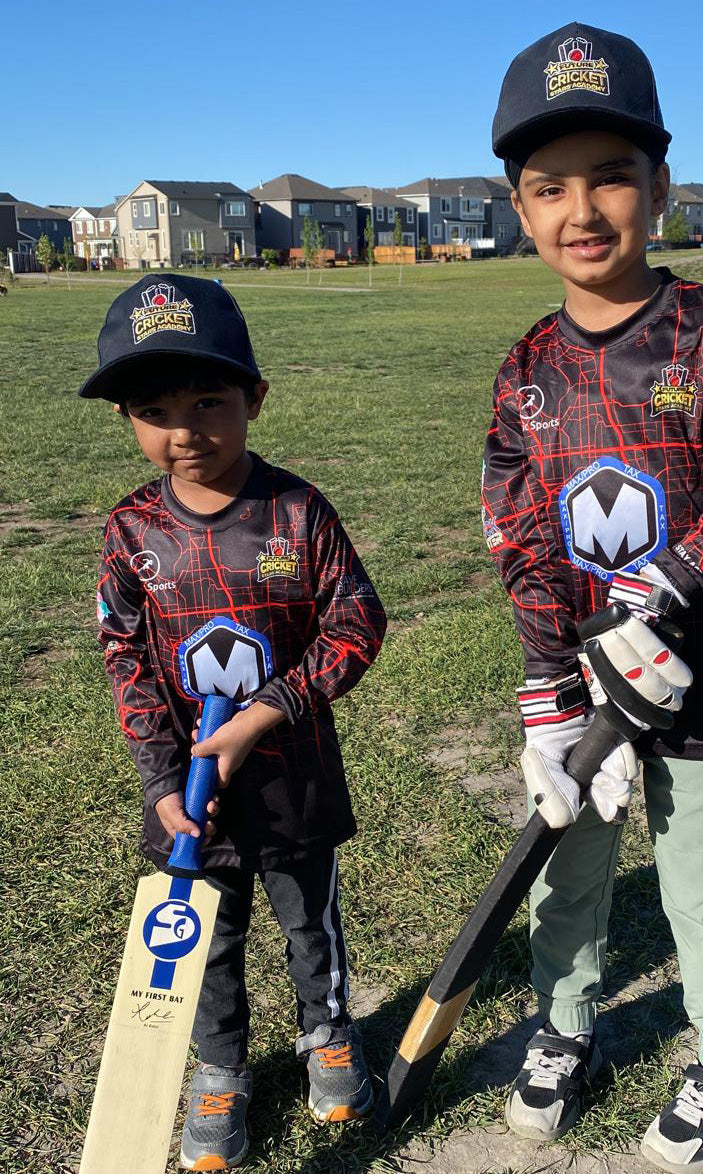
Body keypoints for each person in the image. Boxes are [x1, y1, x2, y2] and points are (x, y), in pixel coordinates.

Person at [482, 23, 703, 1174]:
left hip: (702, 675)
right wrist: (547, 687)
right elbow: (517, 530)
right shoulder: (525, 366)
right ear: (518, 207)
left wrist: (660, 586)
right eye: (549, 185)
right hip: (583, 688)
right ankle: (566, 1026)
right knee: (568, 868)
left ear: (660, 186)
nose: (584, 208)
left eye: (612, 175)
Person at [81, 275, 386, 1169]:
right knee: (205, 942)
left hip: (291, 779)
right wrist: (160, 784)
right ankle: (220, 1070)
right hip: (192, 801)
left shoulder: (297, 512)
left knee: (308, 923)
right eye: (153, 411)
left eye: (208, 402)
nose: (183, 433)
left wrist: (271, 708)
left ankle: (327, 1032)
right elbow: (126, 659)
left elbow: (357, 622)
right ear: (127, 420)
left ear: (254, 398)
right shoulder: (131, 530)